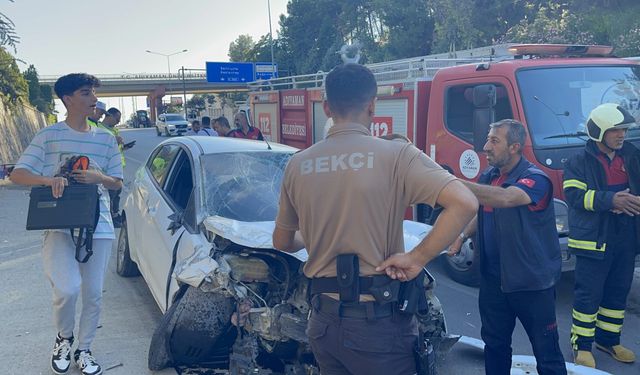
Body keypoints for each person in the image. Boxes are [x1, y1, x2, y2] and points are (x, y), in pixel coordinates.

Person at [272, 63, 477, 375]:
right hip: (377, 326)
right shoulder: (396, 155)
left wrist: (314, 237)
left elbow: (282, 241)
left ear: (327, 107)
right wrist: (417, 258)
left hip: (323, 324)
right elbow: (464, 202)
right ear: (372, 106)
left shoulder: (298, 164)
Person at [10, 73, 123, 375]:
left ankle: (84, 348)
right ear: (68, 99)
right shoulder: (48, 136)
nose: (94, 100)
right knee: (67, 288)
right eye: (86, 93)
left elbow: (117, 183)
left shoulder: (107, 138)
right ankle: (64, 337)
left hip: (96, 224)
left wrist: (99, 178)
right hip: (59, 222)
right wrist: (49, 179)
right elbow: (17, 175)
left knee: (94, 293)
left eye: (94, 94)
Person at [448, 119, 566, 375]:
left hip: (531, 284)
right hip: (494, 281)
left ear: (514, 147)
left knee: (547, 354)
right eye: (488, 139)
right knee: (495, 346)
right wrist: (460, 235)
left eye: (494, 141)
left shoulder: (536, 179)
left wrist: (449, 181)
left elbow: (506, 198)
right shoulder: (489, 176)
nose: (485, 146)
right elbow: (482, 209)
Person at [563, 103, 639, 368]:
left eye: (624, 129)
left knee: (617, 293)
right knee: (589, 294)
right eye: (616, 129)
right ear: (599, 132)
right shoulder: (578, 161)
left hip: (625, 237)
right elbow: (573, 196)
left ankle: (608, 340)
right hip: (593, 239)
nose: (622, 135)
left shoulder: (631, 155)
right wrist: (611, 201)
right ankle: (581, 346)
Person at [98, 108, 125, 227]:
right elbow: (100, 148)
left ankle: (114, 215)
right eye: (117, 119)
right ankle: (108, 218)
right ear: (109, 116)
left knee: (116, 194)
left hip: (117, 167)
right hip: (107, 170)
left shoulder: (114, 130)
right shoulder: (99, 129)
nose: (118, 122)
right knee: (109, 195)